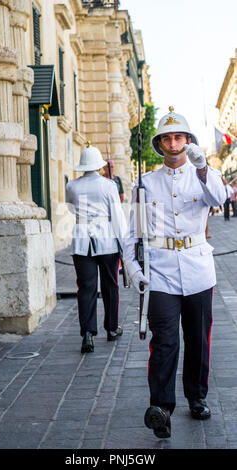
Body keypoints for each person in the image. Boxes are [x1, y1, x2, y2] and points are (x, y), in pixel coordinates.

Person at [123, 107, 226, 439]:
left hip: (197, 269)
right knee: (164, 342)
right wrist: (135, 272)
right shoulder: (147, 183)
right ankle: (161, 408)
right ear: (160, 144)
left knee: (198, 340)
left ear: (188, 141)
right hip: (161, 272)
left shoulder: (202, 175)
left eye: (178, 136)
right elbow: (132, 234)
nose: (172, 142)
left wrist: (203, 167)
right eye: (166, 138)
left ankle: (196, 397)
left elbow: (220, 198)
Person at [66, 143, 126, 353]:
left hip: (82, 240)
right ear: (99, 165)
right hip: (107, 239)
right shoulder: (109, 185)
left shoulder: (71, 186)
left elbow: (71, 207)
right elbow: (117, 216)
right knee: (110, 285)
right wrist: (124, 242)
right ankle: (111, 328)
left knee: (86, 288)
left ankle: (88, 334)